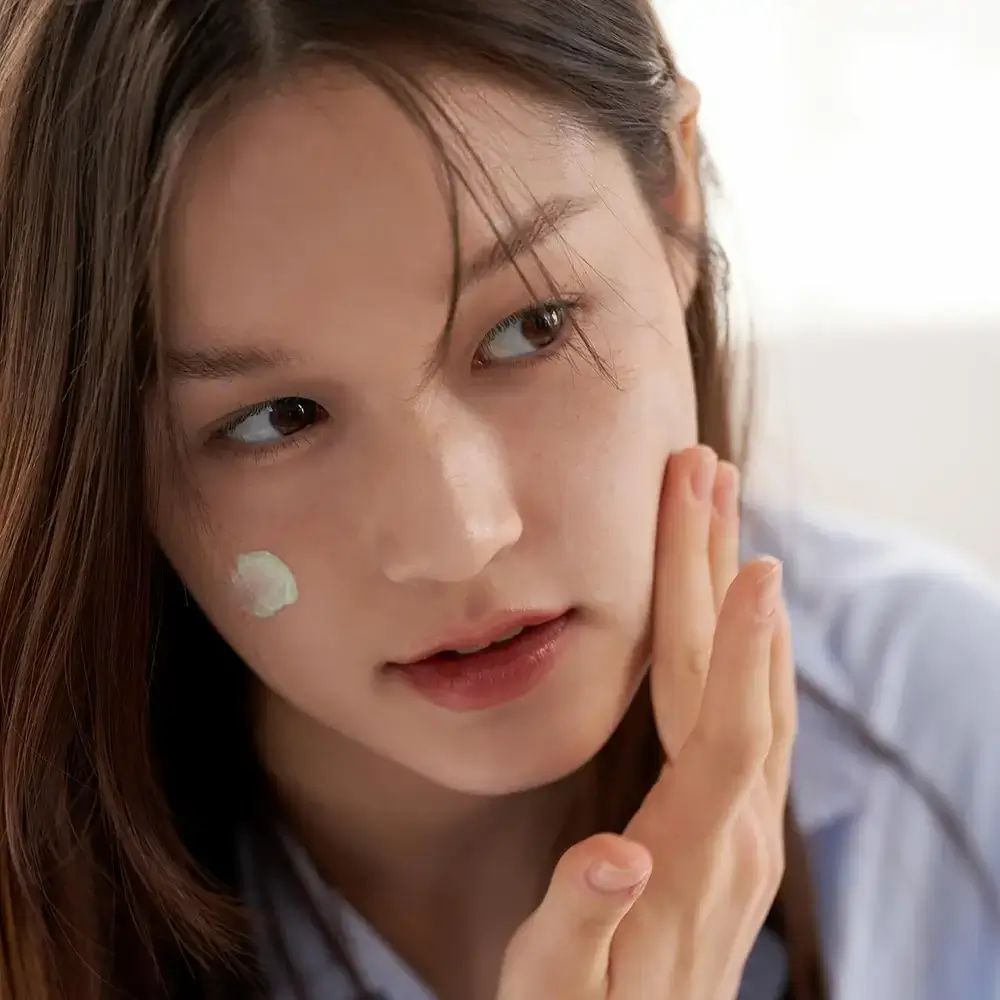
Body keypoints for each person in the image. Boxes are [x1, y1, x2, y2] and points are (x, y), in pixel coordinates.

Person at [0, 2, 997, 998]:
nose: (459, 537)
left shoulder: (947, 735)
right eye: (276, 418)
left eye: (531, 327)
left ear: (674, 197)